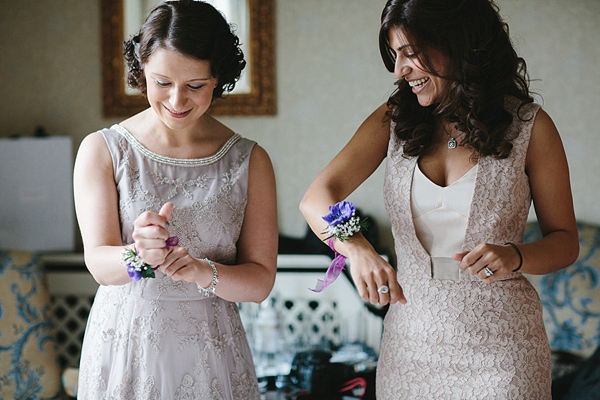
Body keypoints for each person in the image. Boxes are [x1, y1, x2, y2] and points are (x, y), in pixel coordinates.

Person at [299, 0, 579, 398]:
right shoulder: (393, 119)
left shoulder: (529, 127)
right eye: (395, 56)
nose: (400, 71)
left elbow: (565, 241)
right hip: (410, 347)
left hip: (503, 354)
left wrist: (516, 255)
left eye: (410, 54)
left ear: (459, 44)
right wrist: (357, 249)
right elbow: (316, 197)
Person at [73, 1, 277, 398]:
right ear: (142, 70)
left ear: (218, 77)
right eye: (162, 82)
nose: (177, 100)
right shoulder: (103, 150)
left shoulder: (249, 160)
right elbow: (98, 261)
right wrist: (138, 254)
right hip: (128, 343)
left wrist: (204, 273)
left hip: (212, 349)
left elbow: (259, 281)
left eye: (195, 86)